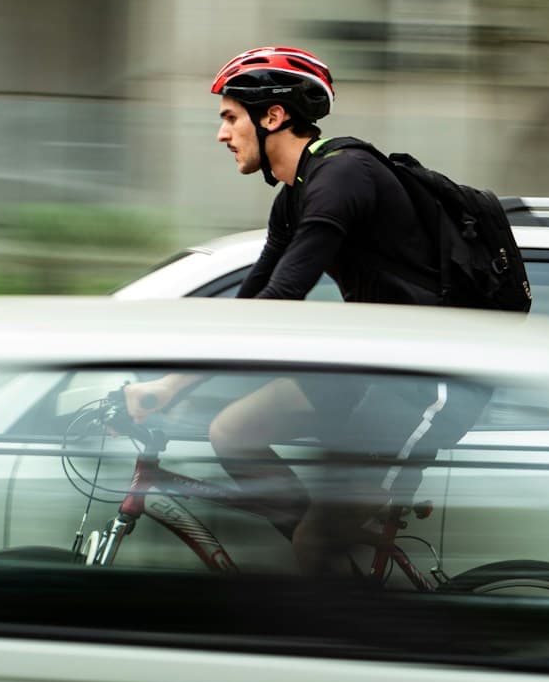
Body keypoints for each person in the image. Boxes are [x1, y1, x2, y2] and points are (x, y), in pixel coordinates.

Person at [124, 46, 487, 575]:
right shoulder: (293, 197)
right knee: (234, 432)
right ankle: (329, 559)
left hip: (430, 376)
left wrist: (173, 386)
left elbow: (280, 301)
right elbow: (252, 295)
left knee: (314, 543)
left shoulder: (342, 178)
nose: (222, 134)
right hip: (377, 367)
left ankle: (338, 601)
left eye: (230, 118)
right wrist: (168, 376)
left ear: (273, 117)